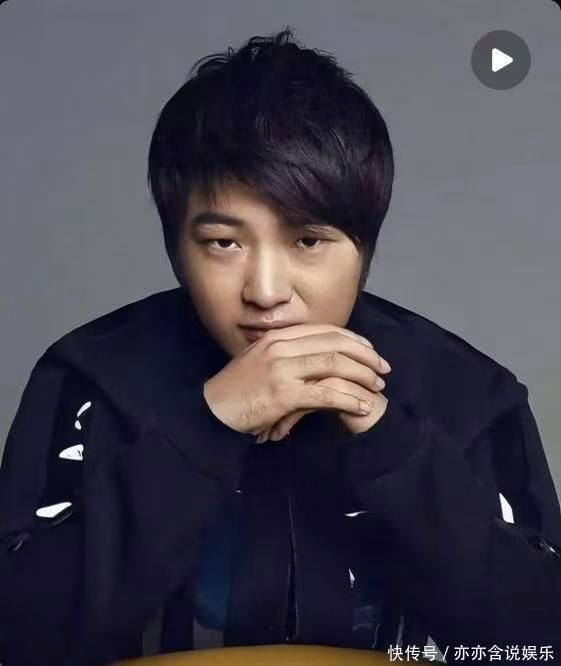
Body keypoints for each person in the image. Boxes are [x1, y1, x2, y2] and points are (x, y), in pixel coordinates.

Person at [1, 27, 561, 666]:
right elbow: (18, 639)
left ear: (365, 246)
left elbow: (539, 643)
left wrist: (389, 444)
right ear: (175, 247)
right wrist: (208, 426)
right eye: (223, 243)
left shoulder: (469, 393)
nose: (266, 292)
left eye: (308, 241)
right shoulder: (89, 380)